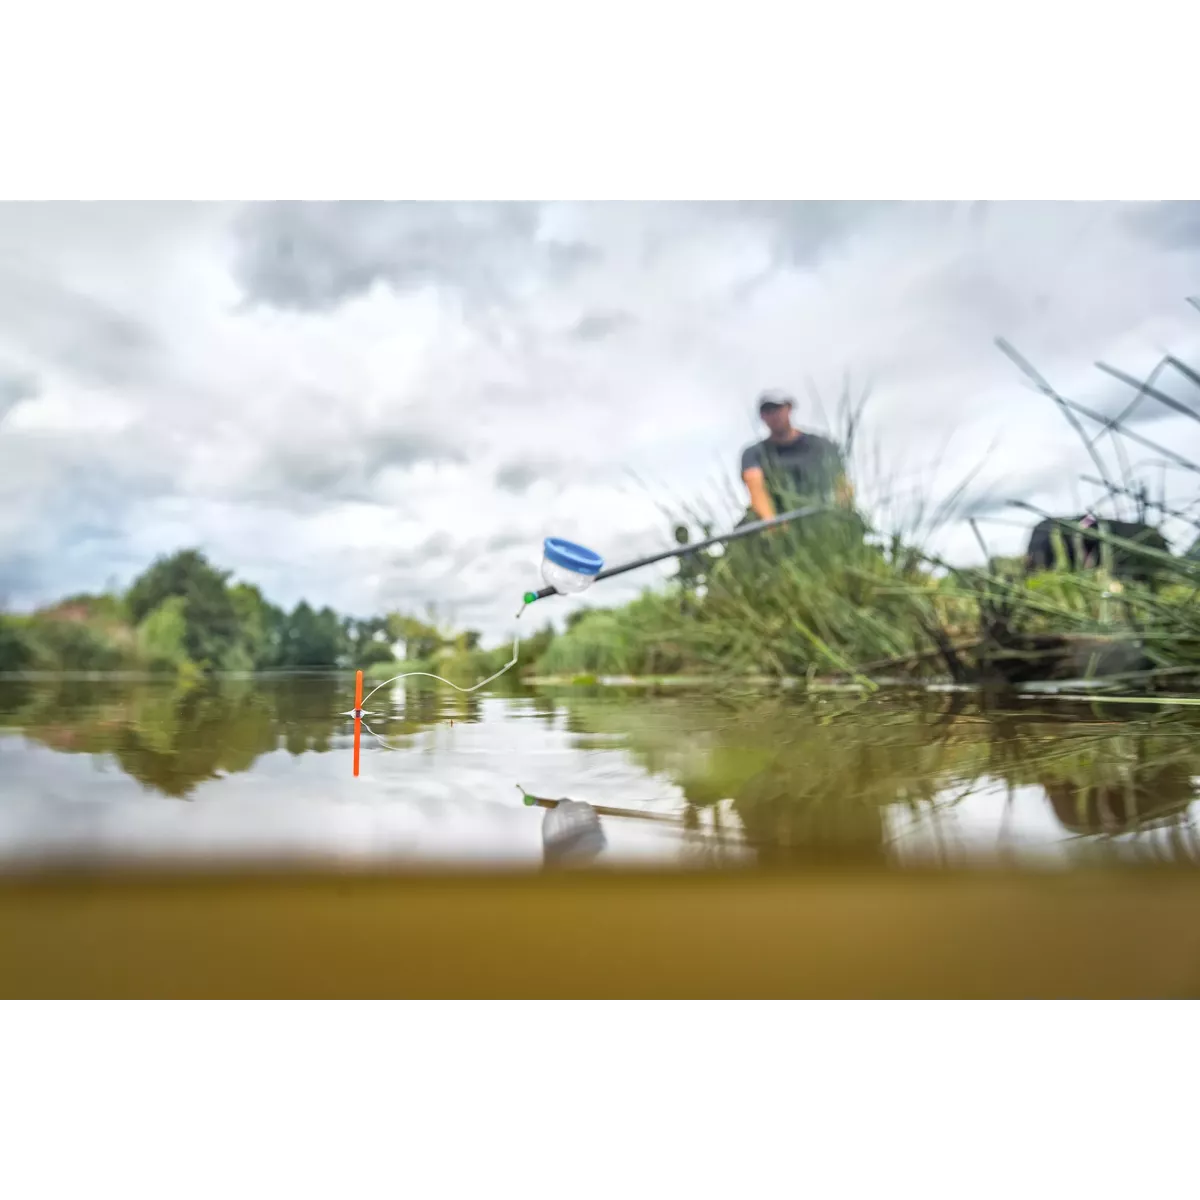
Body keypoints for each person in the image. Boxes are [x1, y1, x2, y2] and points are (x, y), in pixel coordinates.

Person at [740, 390, 853, 524]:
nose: (774, 415)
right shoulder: (754, 453)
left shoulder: (821, 445)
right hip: (780, 519)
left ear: (789, 408)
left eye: (777, 409)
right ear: (762, 417)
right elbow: (756, 488)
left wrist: (841, 514)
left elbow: (842, 484)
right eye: (768, 411)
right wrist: (772, 525)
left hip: (822, 513)